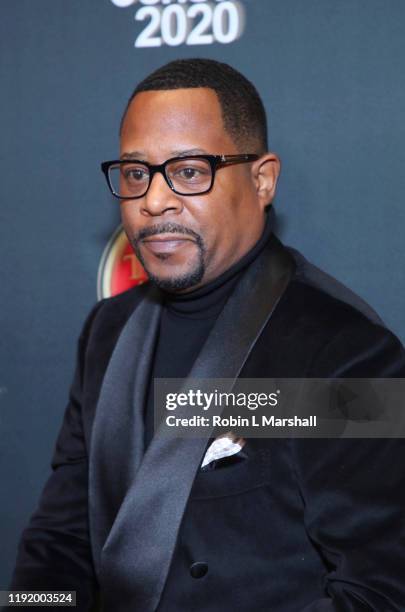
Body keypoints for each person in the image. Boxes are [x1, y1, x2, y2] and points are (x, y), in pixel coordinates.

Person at [10, 59, 405, 611]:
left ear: (262, 179)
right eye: (134, 173)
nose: (153, 201)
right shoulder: (107, 332)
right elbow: (60, 543)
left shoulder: (345, 354)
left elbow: (377, 592)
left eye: (190, 171)